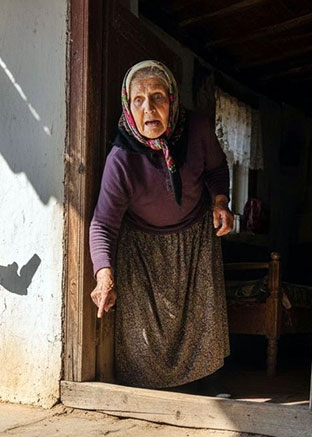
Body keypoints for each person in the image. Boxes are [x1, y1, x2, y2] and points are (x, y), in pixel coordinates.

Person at [88, 60, 233, 392]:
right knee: (145, 331)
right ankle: (150, 395)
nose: (149, 108)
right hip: (142, 245)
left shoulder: (196, 129)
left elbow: (216, 167)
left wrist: (220, 201)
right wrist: (103, 273)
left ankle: (205, 391)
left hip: (195, 236)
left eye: (157, 97)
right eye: (138, 100)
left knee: (200, 321)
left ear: (172, 100)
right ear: (128, 104)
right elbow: (103, 224)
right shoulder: (121, 159)